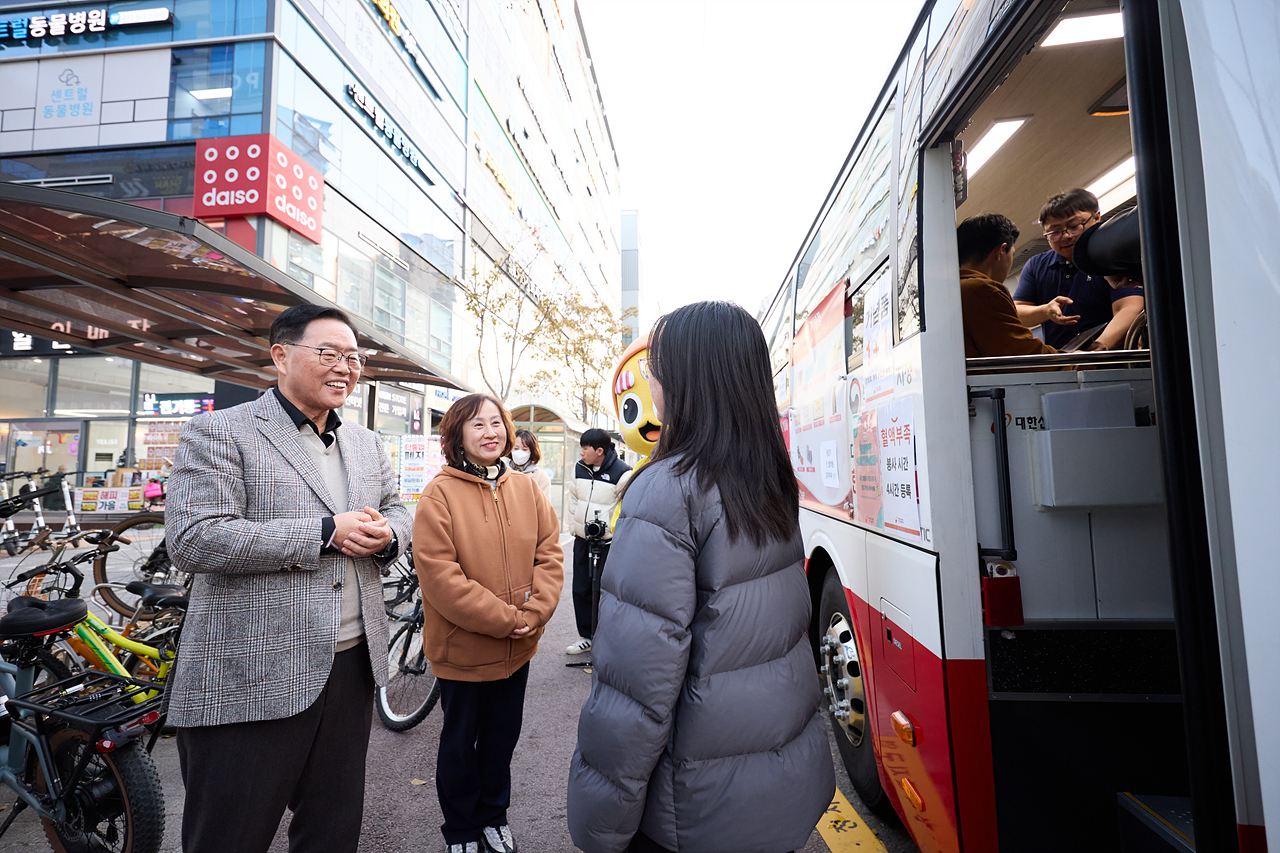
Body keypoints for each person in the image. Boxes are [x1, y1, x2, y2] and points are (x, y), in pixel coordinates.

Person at [567, 301, 835, 853]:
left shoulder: (667, 490)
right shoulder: (769, 480)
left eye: (657, 371)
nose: (652, 384)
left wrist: (600, 826)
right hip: (777, 787)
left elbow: (638, 686)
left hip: (693, 807)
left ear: (690, 381)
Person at [165, 305, 412, 853]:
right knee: (229, 834)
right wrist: (324, 532)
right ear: (281, 355)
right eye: (329, 353)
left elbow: (397, 508)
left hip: (350, 667)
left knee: (332, 828)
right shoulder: (219, 431)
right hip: (251, 670)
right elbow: (194, 538)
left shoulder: (367, 443)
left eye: (353, 357)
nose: (344, 367)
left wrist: (389, 536)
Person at [413, 393, 564, 853]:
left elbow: (550, 555)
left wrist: (534, 615)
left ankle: (494, 816)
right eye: (477, 425)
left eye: (497, 423)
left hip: (518, 648)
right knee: (460, 747)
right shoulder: (439, 493)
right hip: (464, 650)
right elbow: (442, 578)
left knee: (501, 742)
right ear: (457, 433)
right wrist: (508, 620)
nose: (491, 432)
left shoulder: (525, 487)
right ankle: (460, 829)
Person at [1013, 188, 1144, 350]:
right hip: (1064, 365)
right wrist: (1045, 310)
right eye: (1055, 232)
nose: (1066, 236)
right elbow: (1017, 313)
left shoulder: (1111, 255)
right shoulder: (1036, 264)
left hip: (1113, 361)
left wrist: (1101, 347)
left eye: (1074, 226)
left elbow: (1129, 307)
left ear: (1096, 217)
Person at [565, 428, 632, 655]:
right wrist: (576, 527)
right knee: (580, 588)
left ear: (600, 451)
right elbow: (573, 497)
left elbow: (625, 509)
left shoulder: (623, 473)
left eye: (585, 448)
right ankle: (586, 637)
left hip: (607, 544)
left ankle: (606, 639)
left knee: (606, 591)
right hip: (582, 540)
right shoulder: (579, 467)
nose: (581, 453)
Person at [958, 213, 1058, 358]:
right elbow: (1021, 355)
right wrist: (1074, 361)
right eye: (1011, 254)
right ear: (1000, 251)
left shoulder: (953, 291)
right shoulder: (983, 291)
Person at [509, 427, 553, 502]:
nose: (519, 453)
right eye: (516, 448)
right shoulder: (503, 471)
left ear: (532, 451)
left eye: (525, 449)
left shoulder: (541, 476)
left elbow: (544, 507)